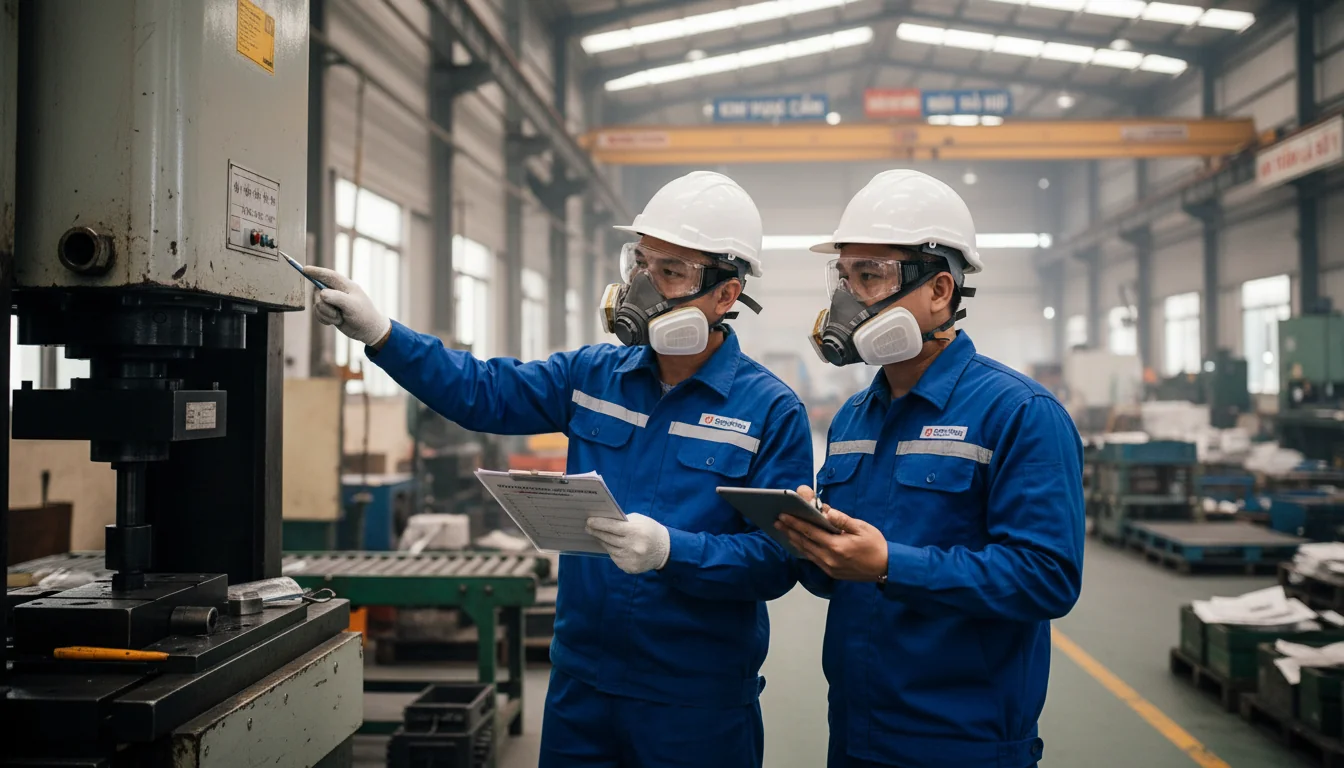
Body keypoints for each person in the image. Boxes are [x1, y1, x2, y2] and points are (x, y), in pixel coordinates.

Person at [305, 171, 813, 768]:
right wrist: (383, 335)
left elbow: (779, 561)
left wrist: (673, 551)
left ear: (727, 295)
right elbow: (482, 392)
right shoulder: (593, 375)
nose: (644, 287)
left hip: (695, 697)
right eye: (641, 265)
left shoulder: (770, 410)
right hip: (582, 681)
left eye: (671, 272)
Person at [776, 169, 1085, 768]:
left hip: (964, 739)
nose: (847, 299)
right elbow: (838, 579)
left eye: (870, 276)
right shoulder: (852, 419)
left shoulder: (1020, 413)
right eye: (843, 277)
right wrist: (810, 544)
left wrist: (891, 565)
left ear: (940, 289)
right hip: (856, 728)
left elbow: (1047, 576)